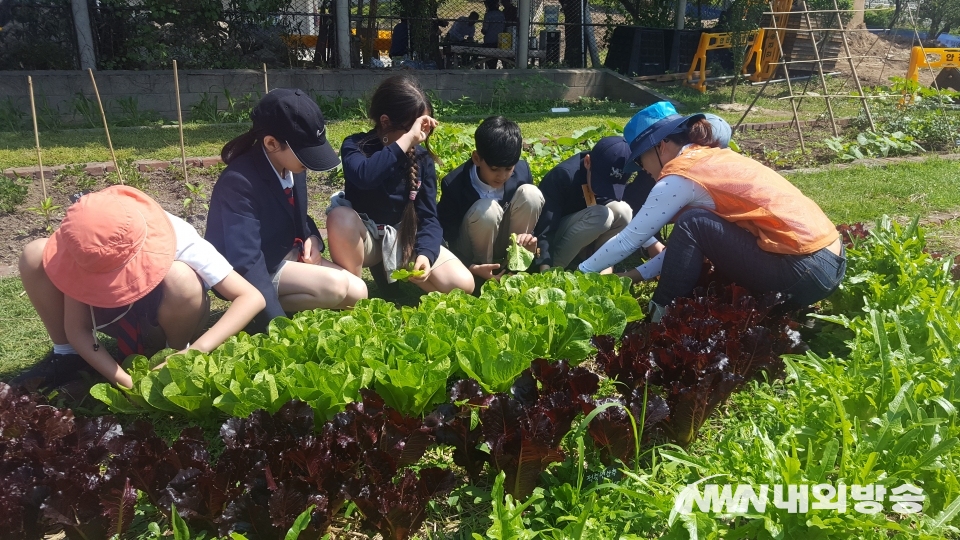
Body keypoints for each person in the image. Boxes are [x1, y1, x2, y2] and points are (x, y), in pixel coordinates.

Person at [578, 101, 845, 321]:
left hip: (803, 270)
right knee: (695, 223)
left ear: (661, 146)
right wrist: (632, 276)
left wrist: (579, 276)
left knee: (693, 222)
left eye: (639, 159)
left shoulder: (680, 175)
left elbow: (630, 238)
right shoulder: (713, 158)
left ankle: (658, 318)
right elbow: (685, 246)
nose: (642, 169)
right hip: (830, 263)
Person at [15, 186, 266, 390]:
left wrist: (193, 353)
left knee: (181, 278)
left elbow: (251, 297)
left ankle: (172, 350)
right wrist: (124, 381)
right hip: (113, 320)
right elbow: (77, 328)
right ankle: (68, 358)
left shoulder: (177, 233)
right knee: (36, 252)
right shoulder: (83, 246)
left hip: (165, 318)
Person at [206, 88, 367, 334]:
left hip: (285, 256)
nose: (309, 163)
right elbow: (246, 261)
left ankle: (261, 307)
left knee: (359, 291)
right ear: (271, 143)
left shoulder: (291, 165)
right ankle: (253, 312)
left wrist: (312, 238)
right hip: (251, 271)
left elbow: (297, 215)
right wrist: (278, 329)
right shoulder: (239, 182)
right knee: (335, 286)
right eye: (305, 154)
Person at [326, 74, 475, 295]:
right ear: (385, 122)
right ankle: (353, 290)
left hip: (403, 237)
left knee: (463, 285)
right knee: (340, 216)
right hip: (366, 240)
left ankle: (400, 269)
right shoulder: (356, 145)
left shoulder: (421, 159)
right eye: (414, 129)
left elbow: (428, 216)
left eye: (424, 129)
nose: (420, 137)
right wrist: (405, 142)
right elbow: (365, 177)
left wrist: (424, 254)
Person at [437, 116, 543, 282]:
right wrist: (469, 266)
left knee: (531, 194)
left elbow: (529, 214)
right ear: (477, 158)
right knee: (488, 210)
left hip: (504, 240)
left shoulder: (522, 172)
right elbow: (446, 237)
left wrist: (531, 242)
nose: (502, 176)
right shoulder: (454, 184)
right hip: (470, 247)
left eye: (509, 168)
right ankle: (484, 274)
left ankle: (514, 267)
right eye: (494, 169)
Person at [533, 136, 654, 272]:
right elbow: (545, 230)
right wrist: (544, 268)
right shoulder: (563, 176)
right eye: (600, 185)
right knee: (602, 215)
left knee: (624, 211)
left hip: (581, 235)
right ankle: (555, 270)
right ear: (587, 162)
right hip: (554, 237)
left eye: (610, 187)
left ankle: (598, 265)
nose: (603, 192)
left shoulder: (601, 171)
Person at [481, 0, 505, 68]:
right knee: (495, 58)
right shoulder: (501, 14)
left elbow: (485, 30)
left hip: (489, 40)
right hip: (499, 40)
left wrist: (482, 31)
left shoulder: (488, 15)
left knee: (489, 59)